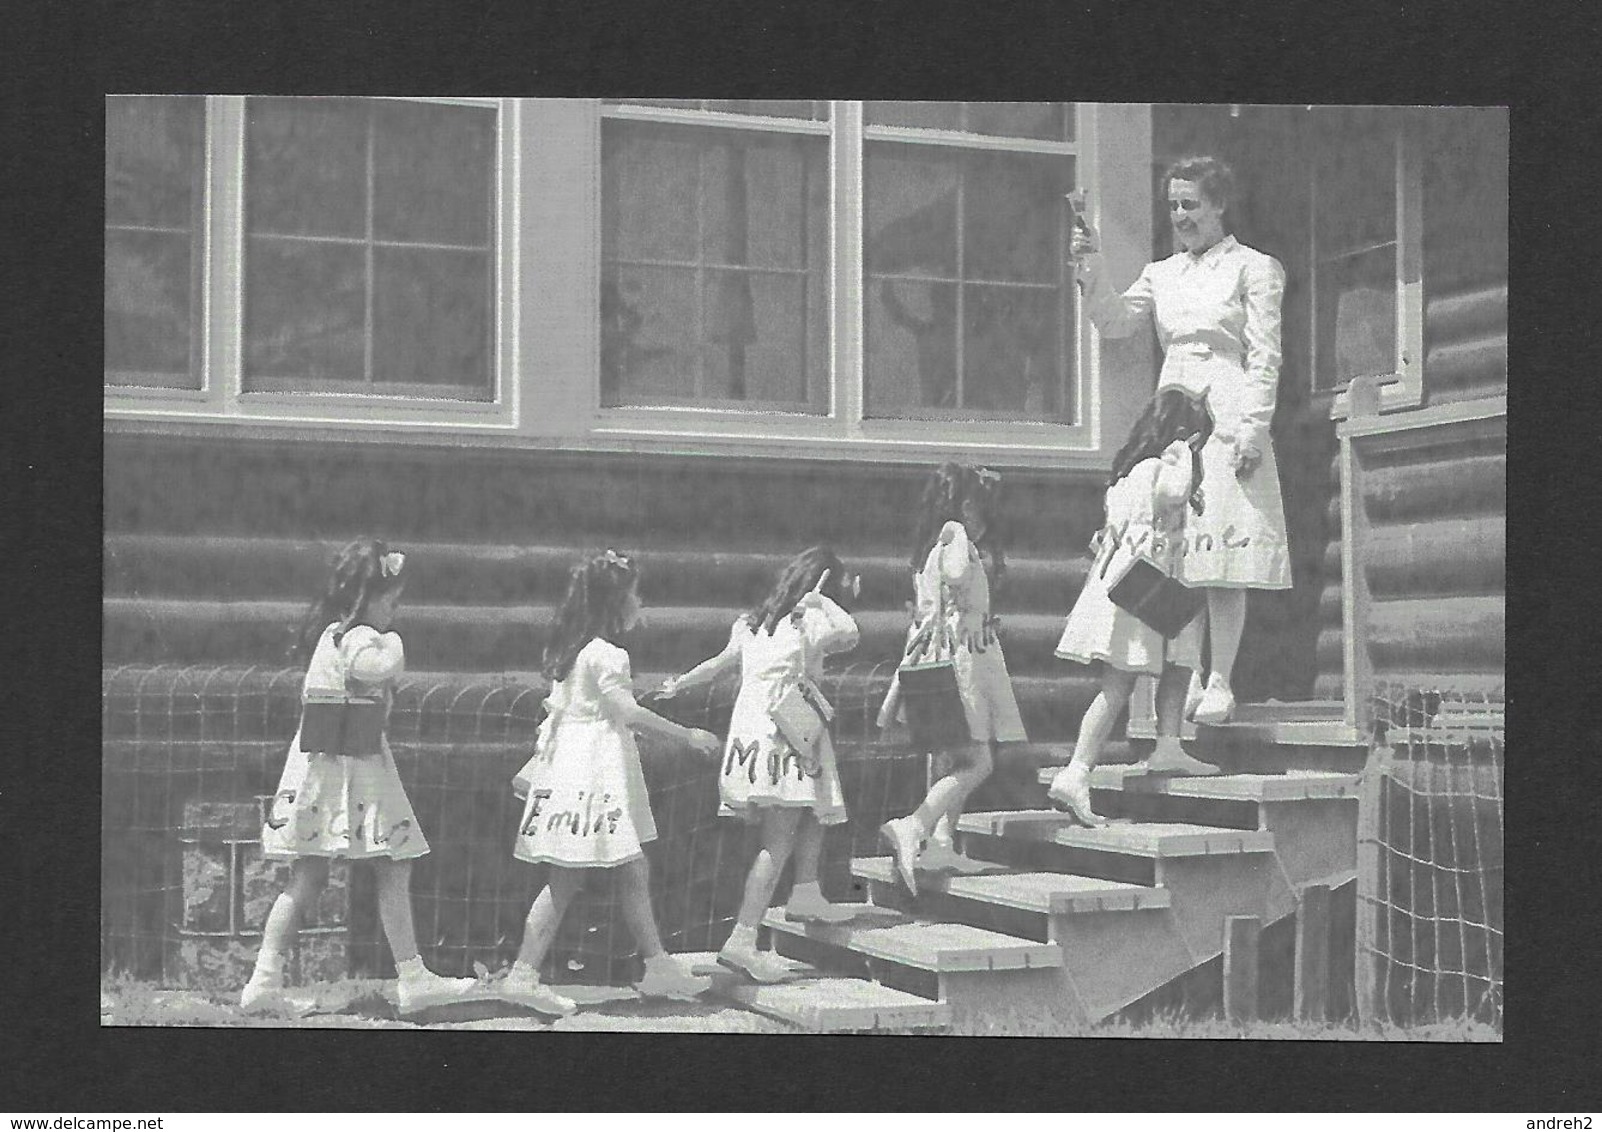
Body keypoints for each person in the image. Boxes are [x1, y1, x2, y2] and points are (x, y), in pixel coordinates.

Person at [1071, 155, 1292, 724]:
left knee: (1221, 546)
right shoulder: (1162, 273)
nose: (1179, 216)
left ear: (1219, 204)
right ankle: (1188, 674)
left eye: (1190, 204)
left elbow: (1265, 355)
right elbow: (1118, 322)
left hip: (1227, 403)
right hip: (1172, 413)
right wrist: (1091, 267)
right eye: (1173, 205)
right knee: (1176, 548)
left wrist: (1254, 427)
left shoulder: (1255, 268)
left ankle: (1221, 679)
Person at [244, 539, 477, 1016]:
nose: (395, 610)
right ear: (365, 598)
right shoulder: (357, 638)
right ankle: (410, 978)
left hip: (337, 765)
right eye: (391, 600)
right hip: (349, 769)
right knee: (384, 862)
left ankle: (265, 981)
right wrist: (393, 640)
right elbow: (378, 666)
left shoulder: (336, 634)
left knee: (321, 873)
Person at [496, 550, 721, 1016]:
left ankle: (656, 962)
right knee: (568, 876)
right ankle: (523, 973)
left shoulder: (574, 653)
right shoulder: (607, 654)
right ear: (616, 601)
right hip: (594, 773)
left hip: (579, 764)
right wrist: (688, 735)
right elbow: (627, 712)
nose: (640, 602)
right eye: (635, 593)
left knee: (631, 866)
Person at [659, 547, 863, 982]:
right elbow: (852, 633)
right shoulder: (808, 621)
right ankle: (743, 938)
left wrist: (680, 684)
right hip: (786, 737)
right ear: (824, 578)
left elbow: (719, 665)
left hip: (756, 736)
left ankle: (806, 890)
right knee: (779, 841)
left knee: (814, 808)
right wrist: (825, 601)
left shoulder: (751, 625)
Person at [1051, 391, 1223, 824]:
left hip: (1131, 579)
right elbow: (1175, 491)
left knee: (1181, 649)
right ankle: (1076, 772)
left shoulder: (1127, 474)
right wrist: (1183, 455)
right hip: (1143, 583)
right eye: (1197, 441)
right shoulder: (1160, 468)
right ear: (1182, 435)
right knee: (1119, 684)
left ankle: (1168, 743)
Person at [877, 463, 1027, 894]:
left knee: (949, 758)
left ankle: (942, 840)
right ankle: (916, 824)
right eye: (981, 512)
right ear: (966, 506)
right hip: (961, 663)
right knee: (979, 762)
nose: (985, 523)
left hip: (946, 658)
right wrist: (958, 532)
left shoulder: (930, 549)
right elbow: (959, 575)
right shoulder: (953, 537)